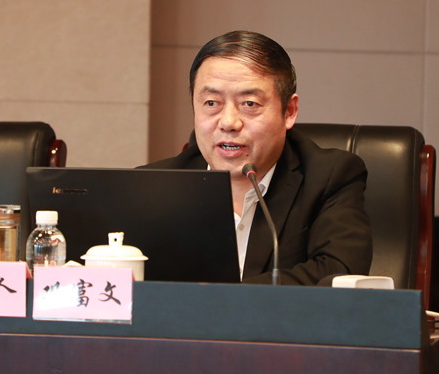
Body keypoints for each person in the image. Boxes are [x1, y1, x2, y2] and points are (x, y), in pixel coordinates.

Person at [144, 30, 372, 285]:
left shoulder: (330, 177)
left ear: (289, 111)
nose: (228, 122)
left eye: (249, 104)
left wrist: (225, 299)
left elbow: (338, 272)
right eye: (211, 103)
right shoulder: (151, 186)